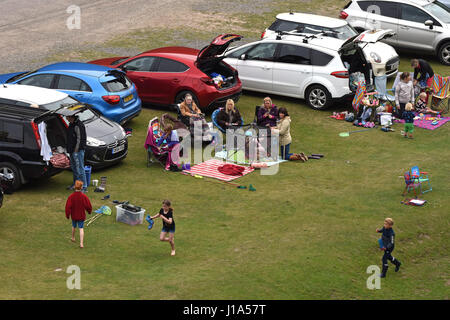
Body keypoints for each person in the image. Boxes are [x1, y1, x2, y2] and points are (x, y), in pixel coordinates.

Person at [65, 180, 92, 248]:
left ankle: (73, 237)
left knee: (74, 226)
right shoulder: (84, 196)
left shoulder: (71, 197)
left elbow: (68, 207)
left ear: (75, 187)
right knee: (81, 228)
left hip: (74, 215)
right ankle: (81, 243)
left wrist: (67, 215)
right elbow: (88, 205)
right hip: (81, 215)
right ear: (81, 187)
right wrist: (89, 211)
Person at [66, 114, 87, 192]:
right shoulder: (71, 125)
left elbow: (79, 139)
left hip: (78, 151)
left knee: (80, 169)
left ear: (71, 117)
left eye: (67, 117)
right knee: (74, 168)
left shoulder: (78, 125)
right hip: (72, 150)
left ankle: (83, 187)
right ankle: (76, 184)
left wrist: (76, 150)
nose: (66, 118)